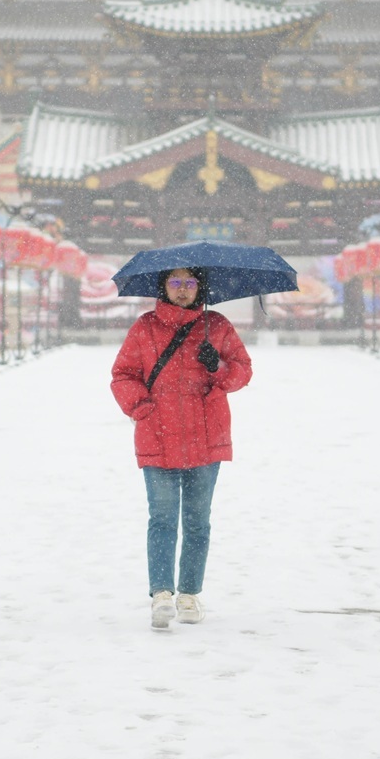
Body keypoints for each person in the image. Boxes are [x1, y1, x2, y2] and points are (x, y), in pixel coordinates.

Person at [110, 267, 252, 629]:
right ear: (164, 286)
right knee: (162, 518)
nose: (183, 289)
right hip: (158, 434)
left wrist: (217, 365)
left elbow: (242, 372)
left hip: (207, 436)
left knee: (197, 521)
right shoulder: (144, 328)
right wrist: (142, 408)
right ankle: (161, 593)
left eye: (190, 282)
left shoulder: (216, 326)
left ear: (199, 286)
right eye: (176, 282)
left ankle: (189, 593)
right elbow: (123, 374)